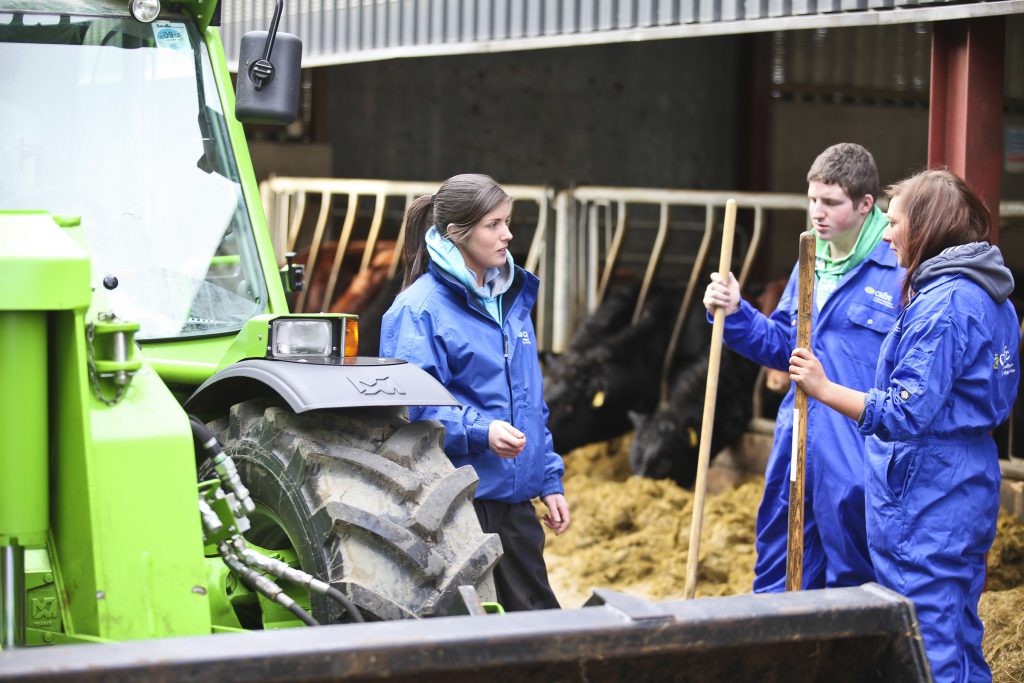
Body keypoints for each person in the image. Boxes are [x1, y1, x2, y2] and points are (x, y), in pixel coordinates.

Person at [789, 168, 1020, 683]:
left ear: (929, 226)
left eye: (895, 223)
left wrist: (825, 388)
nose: (887, 234)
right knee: (958, 624)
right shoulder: (990, 294)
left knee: (925, 633)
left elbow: (904, 410)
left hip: (929, 487)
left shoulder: (945, 305)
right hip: (964, 475)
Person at [703, 143, 904, 591]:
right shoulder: (811, 258)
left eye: (830, 202)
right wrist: (736, 312)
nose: (817, 211)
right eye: (812, 199)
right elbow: (784, 348)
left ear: (866, 203)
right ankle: (777, 654)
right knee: (779, 560)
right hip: (797, 435)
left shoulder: (898, 268)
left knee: (855, 572)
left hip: (858, 449)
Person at [380, 173, 569, 611]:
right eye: (494, 224)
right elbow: (411, 405)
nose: (508, 234)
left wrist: (548, 478)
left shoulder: (511, 301)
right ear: (456, 234)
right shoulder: (419, 310)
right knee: (474, 628)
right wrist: (482, 431)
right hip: (456, 505)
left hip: (514, 502)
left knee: (536, 622)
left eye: (507, 222)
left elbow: (529, 402)